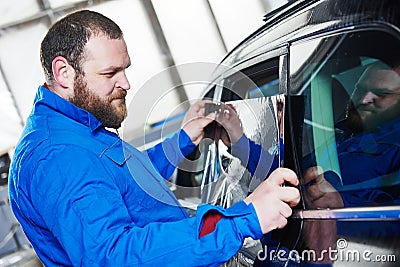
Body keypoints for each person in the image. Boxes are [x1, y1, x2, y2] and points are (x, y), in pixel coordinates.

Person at [8, 10, 300, 267]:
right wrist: (242, 220)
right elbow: (113, 256)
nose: (125, 83)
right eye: (110, 73)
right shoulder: (58, 154)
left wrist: (183, 140)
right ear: (64, 73)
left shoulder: (79, 131)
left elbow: (126, 184)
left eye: (125, 69)